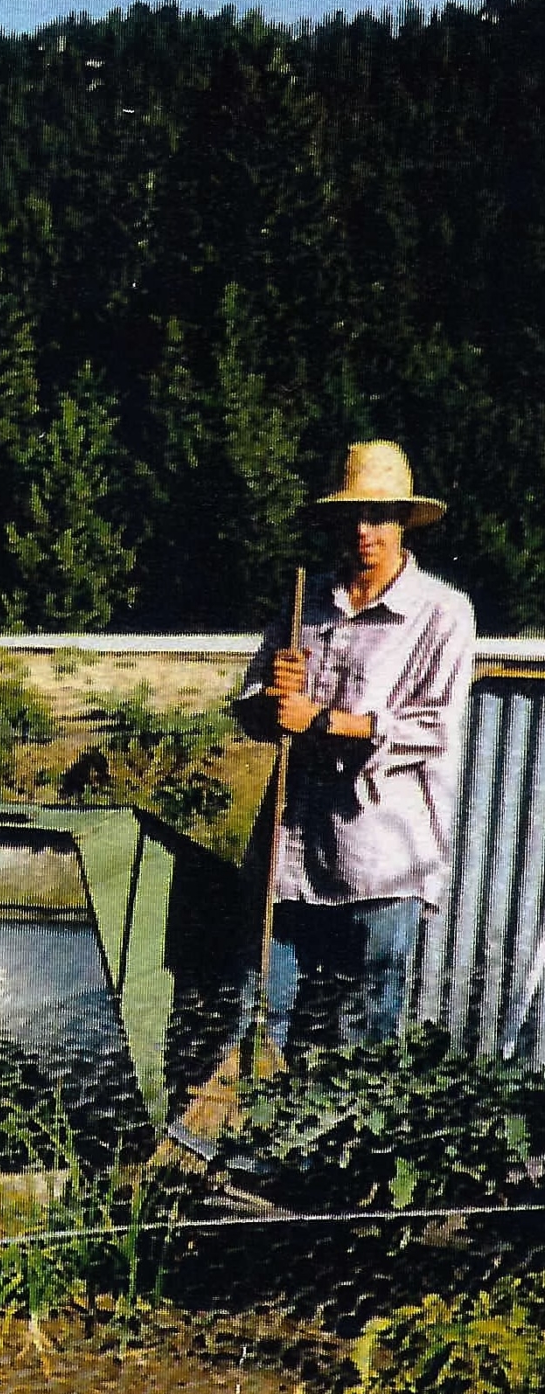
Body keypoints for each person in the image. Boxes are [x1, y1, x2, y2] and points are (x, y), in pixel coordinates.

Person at [233, 440, 474, 1050]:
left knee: (363, 1043)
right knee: (275, 1028)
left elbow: (433, 728)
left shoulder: (440, 613)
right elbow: (254, 710)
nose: (364, 532)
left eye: (380, 517)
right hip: (293, 856)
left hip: (383, 861)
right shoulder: (305, 603)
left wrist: (322, 720)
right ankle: (277, 1141)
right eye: (352, 519)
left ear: (403, 523)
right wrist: (271, 698)